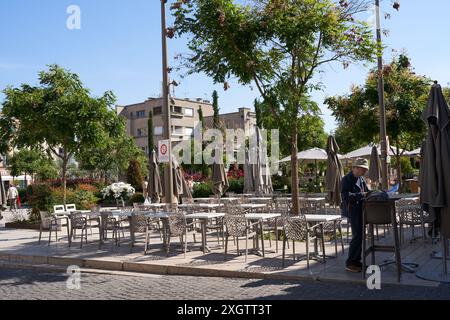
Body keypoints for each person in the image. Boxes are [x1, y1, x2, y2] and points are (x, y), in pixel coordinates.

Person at [341, 158, 370, 273]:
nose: (364, 172)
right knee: (357, 236)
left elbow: (367, 191)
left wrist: (371, 193)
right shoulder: (346, 179)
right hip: (353, 210)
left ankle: (357, 261)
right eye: (363, 169)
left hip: (361, 210)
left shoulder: (361, 178)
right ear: (355, 168)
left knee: (360, 236)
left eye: (365, 170)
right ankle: (350, 262)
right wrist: (361, 194)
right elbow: (346, 196)